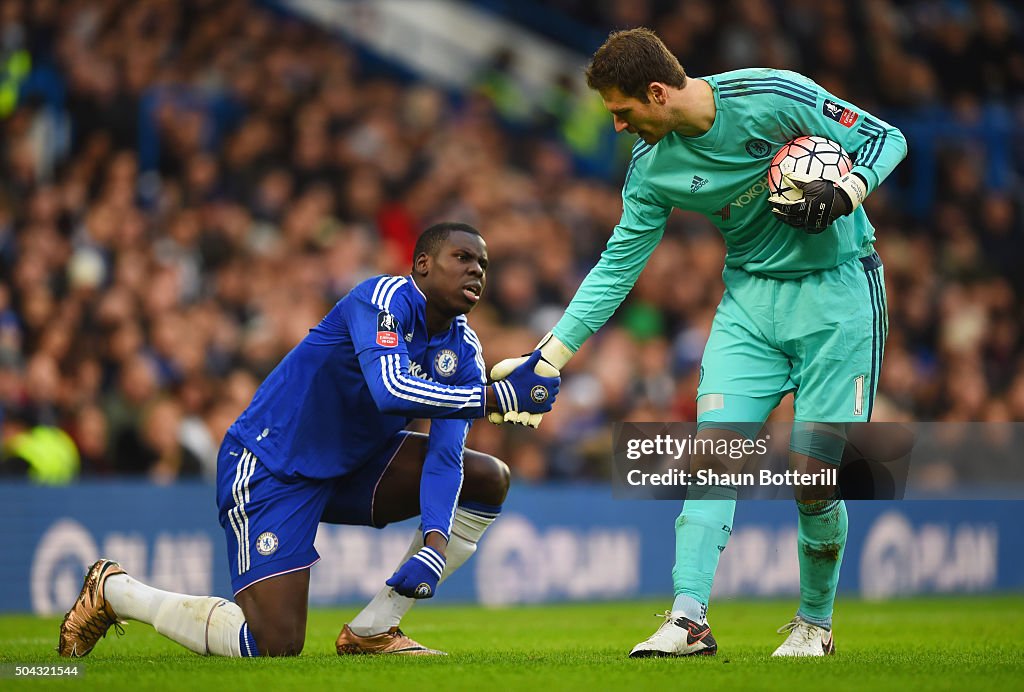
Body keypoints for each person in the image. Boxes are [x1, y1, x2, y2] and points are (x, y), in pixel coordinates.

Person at [490, 28, 906, 657]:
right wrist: (549, 356)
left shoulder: (773, 93)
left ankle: (814, 625)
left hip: (839, 297)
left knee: (814, 477)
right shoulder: (651, 170)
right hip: (749, 306)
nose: (618, 127)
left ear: (657, 93)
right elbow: (615, 268)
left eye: (622, 111)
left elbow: (886, 138)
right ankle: (688, 620)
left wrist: (847, 190)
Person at [58, 221, 560, 658]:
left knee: (487, 477)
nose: (477, 270)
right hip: (273, 464)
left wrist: (433, 544)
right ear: (423, 265)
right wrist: (493, 398)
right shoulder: (381, 299)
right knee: (274, 645)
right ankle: (117, 591)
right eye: (463, 257)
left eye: (484, 263)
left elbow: (445, 457)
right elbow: (390, 391)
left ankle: (374, 630)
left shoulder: (464, 346)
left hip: (353, 465)